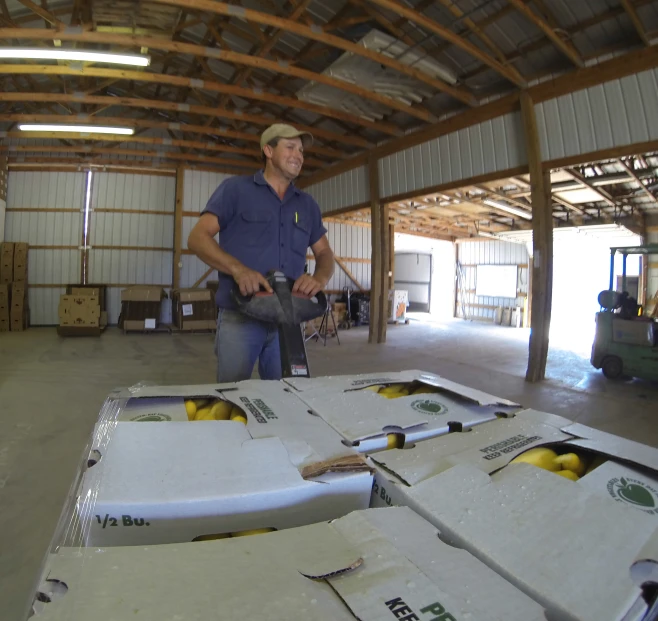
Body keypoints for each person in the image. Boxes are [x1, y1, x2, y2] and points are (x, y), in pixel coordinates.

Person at [187, 123, 335, 382]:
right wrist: (238, 269)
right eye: (290, 147)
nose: (298, 155)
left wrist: (320, 279)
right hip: (240, 316)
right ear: (268, 150)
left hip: (289, 319)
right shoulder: (235, 190)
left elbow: (324, 253)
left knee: (288, 397)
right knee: (232, 397)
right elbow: (197, 238)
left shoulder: (307, 205)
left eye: (301, 150)